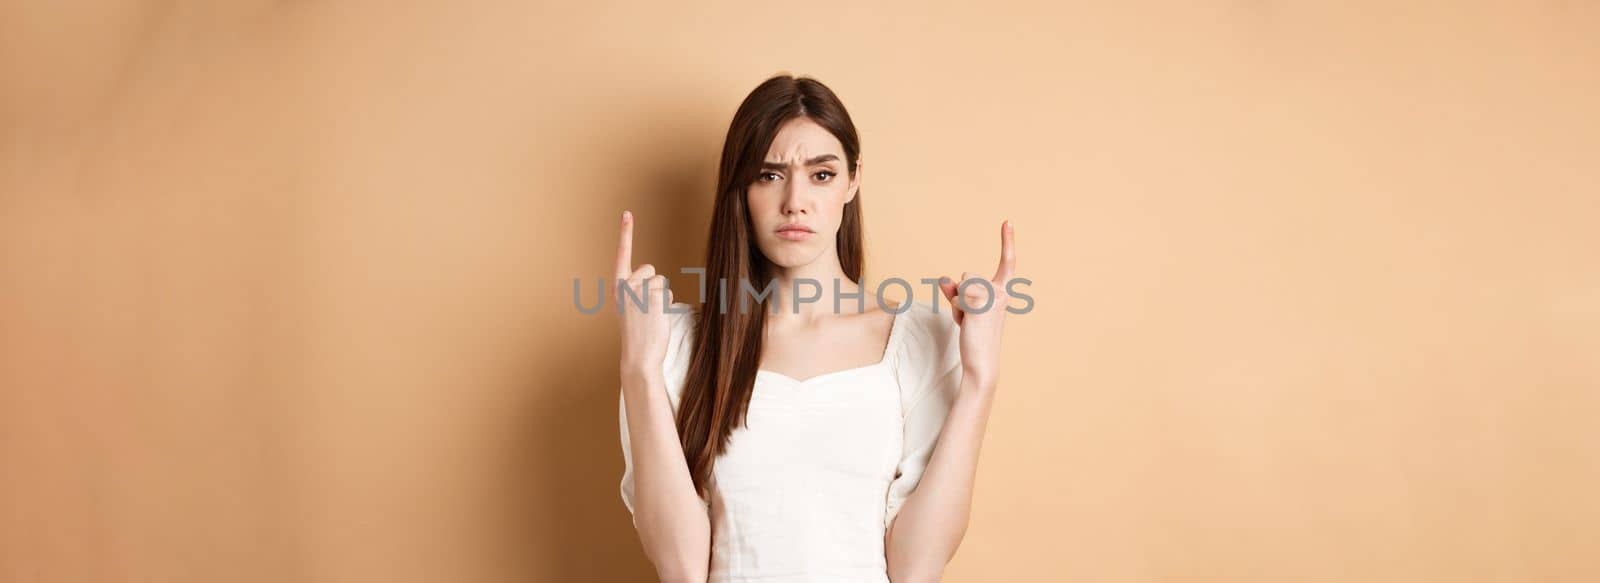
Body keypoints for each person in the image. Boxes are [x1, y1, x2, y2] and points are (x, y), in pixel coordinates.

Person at [615, 74, 1017, 583]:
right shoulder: (670, 345)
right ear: (739, 188)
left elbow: (917, 568)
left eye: (821, 175)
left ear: (853, 180)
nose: (795, 202)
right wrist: (638, 369)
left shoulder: (921, 338)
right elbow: (681, 568)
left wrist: (981, 380)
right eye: (768, 175)